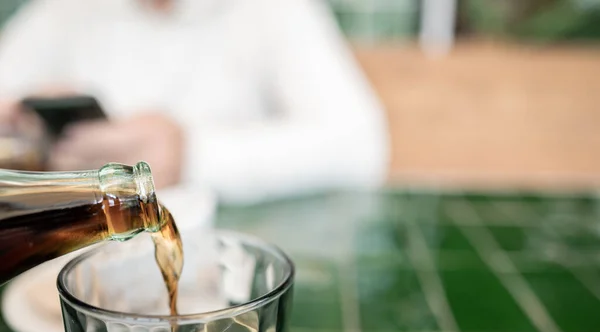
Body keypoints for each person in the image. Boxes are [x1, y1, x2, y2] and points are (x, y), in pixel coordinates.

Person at [0, 0, 388, 203]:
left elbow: (361, 144)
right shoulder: (67, 9)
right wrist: (23, 123)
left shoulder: (273, 8)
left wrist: (190, 154)